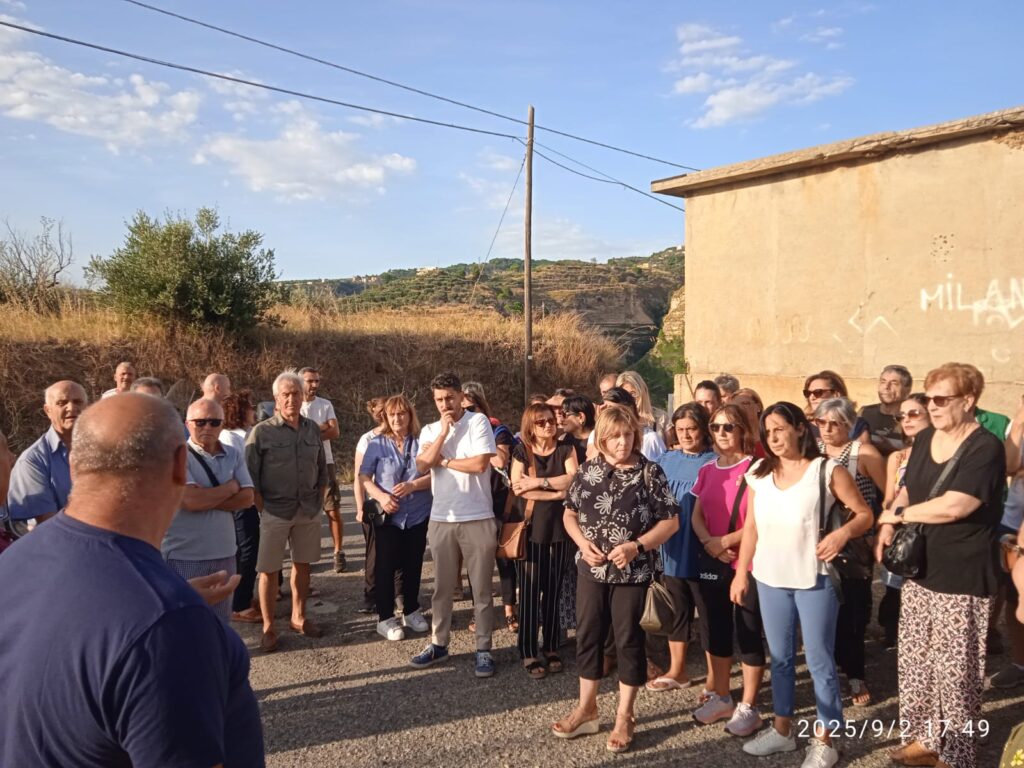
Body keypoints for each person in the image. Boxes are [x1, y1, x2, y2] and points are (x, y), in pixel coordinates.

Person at [0, 393, 264, 766]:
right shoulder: (168, 628)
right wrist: (167, 616)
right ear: (179, 464)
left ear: (75, 466)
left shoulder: (14, 562)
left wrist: (163, 606)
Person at [877, 363, 1007, 768]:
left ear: (968, 401)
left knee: (957, 676)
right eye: (928, 397)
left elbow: (959, 504)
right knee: (917, 662)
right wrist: (889, 521)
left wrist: (900, 517)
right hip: (920, 568)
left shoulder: (985, 447)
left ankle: (959, 753)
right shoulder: (928, 436)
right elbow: (909, 486)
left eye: (941, 399)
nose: (931, 406)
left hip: (962, 572)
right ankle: (926, 738)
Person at [731, 402, 872, 768]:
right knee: (779, 659)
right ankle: (782, 730)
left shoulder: (826, 469)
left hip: (814, 578)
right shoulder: (758, 472)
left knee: (820, 660)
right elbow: (751, 527)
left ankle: (827, 738)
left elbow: (864, 514)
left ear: (798, 428)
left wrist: (841, 534)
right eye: (768, 431)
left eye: (780, 428)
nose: (773, 437)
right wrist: (741, 571)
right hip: (769, 578)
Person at [552, 405, 680, 753]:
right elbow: (569, 513)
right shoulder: (589, 469)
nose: (623, 442)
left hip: (632, 573)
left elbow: (670, 522)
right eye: (615, 436)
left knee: (628, 641)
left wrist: (637, 546)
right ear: (602, 438)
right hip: (591, 570)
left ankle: (625, 715)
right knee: (589, 636)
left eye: (628, 435)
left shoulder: (649, 472)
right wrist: (582, 544)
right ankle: (587, 708)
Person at [410, 371, 498, 678]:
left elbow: (479, 464)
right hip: (442, 518)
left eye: (450, 397)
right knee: (442, 588)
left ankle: (483, 648)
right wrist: (443, 435)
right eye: (438, 399)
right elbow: (421, 465)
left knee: (482, 589)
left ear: (461, 395)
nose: (445, 404)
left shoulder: (478, 422)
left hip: (477, 517)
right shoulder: (432, 429)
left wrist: (444, 461)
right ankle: (438, 643)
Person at [689, 404, 765, 736]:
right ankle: (722, 696)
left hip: (746, 563)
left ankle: (749, 705)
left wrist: (722, 542)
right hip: (712, 559)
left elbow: (758, 518)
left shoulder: (757, 469)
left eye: (729, 427)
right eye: (716, 426)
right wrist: (709, 542)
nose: (721, 433)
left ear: (743, 430)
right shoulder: (707, 469)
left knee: (748, 632)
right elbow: (696, 514)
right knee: (715, 630)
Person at [246, 370, 328, 653]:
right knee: (268, 570)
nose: (291, 399)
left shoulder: (312, 429)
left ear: (303, 396)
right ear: (276, 398)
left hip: (307, 509)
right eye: (286, 394)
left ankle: (298, 616)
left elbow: (322, 467)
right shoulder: (262, 432)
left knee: (303, 564)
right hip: (275, 511)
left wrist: (319, 497)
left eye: (296, 393)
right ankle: (269, 626)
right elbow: (251, 477)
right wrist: (263, 508)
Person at [813, 397, 886, 708]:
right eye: (822, 422)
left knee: (854, 611)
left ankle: (856, 674)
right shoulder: (811, 454)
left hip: (854, 543)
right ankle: (827, 672)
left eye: (836, 423)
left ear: (849, 424)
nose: (828, 429)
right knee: (819, 611)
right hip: (816, 542)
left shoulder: (864, 454)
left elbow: (889, 497)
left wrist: (878, 535)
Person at [162, 398, 254, 623]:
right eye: (200, 422)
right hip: (185, 556)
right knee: (187, 624)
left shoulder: (233, 453)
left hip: (225, 553)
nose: (207, 427)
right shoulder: (176, 456)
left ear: (222, 424)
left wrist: (206, 497)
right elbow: (191, 500)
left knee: (221, 622)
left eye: (214, 422)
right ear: (187, 424)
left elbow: (247, 498)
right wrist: (230, 487)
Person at [646, 402, 715, 693]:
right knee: (678, 610)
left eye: (692, 429)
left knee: (709, 613)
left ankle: (715, 678)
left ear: (704, 429)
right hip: (672, 548)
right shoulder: (666, 459)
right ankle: (678, 670)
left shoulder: (715, 461)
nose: (686, 435)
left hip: (704, 547)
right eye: (681, 429)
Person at [509, 402, 578, 679]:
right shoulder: (521, 451)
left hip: (561, 530)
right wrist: (558, 490)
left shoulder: (566, 449)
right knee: (528, 592)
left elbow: (575, 479)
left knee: (553, 590)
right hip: (532, 530)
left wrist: (540, 484)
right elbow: (518, 489)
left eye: (551, 420)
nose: (548, 425)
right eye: (541, 422)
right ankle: (527, 649)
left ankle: (550, 646)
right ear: (530, 425)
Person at [360, 395, 433, 641]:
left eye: (402, 413)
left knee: (413, 562)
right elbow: (364, 478)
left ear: (410, 415)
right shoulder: (376, 443)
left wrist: (413, 485)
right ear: (386, 418)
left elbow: (436, 475)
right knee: (385, 565)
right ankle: (385, 617)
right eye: (392, 415)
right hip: (388, 515)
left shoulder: (423, 442)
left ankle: (411, 609)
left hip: (417, 513)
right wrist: (381, 497)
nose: (397, 418)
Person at [463, 383, 518, 632]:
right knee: (476, 564)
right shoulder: (456, 431)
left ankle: (509, 609)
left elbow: (500, 459)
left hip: (497, 504)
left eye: (472, 408)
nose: (468, 413)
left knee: (504, 561)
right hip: (470, 504)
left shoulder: (498, 429)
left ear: (482, 406)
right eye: (462, 409)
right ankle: (478, 612)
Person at [877, 393, 931, 649]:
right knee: (895, 589)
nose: (906, 420)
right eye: (902, 415)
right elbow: (890, 496)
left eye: (914, 414)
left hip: (930, 527)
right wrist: (887, 524)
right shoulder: (898, 457)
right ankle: (894, 635)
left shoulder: (941, 454)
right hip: (901, 528)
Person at [6, 380, 87, 536]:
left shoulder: (101, 450)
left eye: (77, 402)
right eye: (62, 403)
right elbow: (49, 526)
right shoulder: (33, 461)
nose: (71, 407)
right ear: (48, 411)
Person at [990, 395, 1024, 689]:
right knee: (1013, 596)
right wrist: (1020, 423)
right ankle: (1019, 662)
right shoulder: (1018, 424)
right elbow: (1009, 467)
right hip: (1013, 520)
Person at [222, 390, 263, 624]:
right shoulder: (230, 436)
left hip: (251, 498)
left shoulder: (247, 432)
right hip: (241, 500)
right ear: (239, 411)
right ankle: (239, 605)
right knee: (246, 551)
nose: (254, 411)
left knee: (250, 549)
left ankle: (244, 596)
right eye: (250, 407)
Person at [299, 367, 344, 572]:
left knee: (332, 509)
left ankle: (338, 552)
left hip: (325, 461)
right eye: (310, 381)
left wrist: (308, 432)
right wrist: (321, 427)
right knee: (303, 513)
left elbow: (335, 432)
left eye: (317, 381)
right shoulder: (292, 405)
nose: (314, 385)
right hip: (300, 464)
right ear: (300, 381)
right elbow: (292, 435)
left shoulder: (325, 404)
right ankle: (304, 558)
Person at [355, 397, 396, 614]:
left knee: (398, 551)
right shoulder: (368, 438)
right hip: (375, 506)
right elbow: (358, 476)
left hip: (400, 504)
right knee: (375, 553)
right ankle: (371, 596)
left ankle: (398, 594)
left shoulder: (404, 435)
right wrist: (360, 506)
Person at [859, 365, 913, 457]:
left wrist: (891, 450)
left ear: (907, 390)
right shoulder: (865, 412)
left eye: (894, 383)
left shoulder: (912, 417)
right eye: (883, 382)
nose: (886, 387)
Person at [802, 370, 869, 444]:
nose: (812, 397)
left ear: (836, 394)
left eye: (818, 392)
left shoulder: (856, 425)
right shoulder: (802, 425)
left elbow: (863, 451)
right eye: (808, 393)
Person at [603, 384, 666, 462]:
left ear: (630, 410)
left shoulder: (651, 439)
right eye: (606, 410)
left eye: (613, 411)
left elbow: (665, 467)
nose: (609, 416)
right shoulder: (597, 436)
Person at [617, 370, 670, 439]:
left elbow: (671, 447)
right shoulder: (615, 420)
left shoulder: (661, 418)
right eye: (625, 394)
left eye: (633, 393)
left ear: (643, 392)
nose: (630, 398)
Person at [561, 394, 596, 464]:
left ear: (580, 417)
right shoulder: (563, 439)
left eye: (565, 415)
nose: (561, 419)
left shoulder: (600, 441)